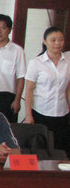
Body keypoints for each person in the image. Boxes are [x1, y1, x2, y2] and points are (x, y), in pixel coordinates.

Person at [24, 26, 70, 154]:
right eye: (53, 40)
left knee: (60, 149)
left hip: (62, 112)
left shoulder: (68, 61)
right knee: (40, 149)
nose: (57, 43)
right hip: (41, 112)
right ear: (45, 41)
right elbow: (29, 90)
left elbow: (68, 89)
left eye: (60, 40)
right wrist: (28, 115)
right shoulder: (36, 62)